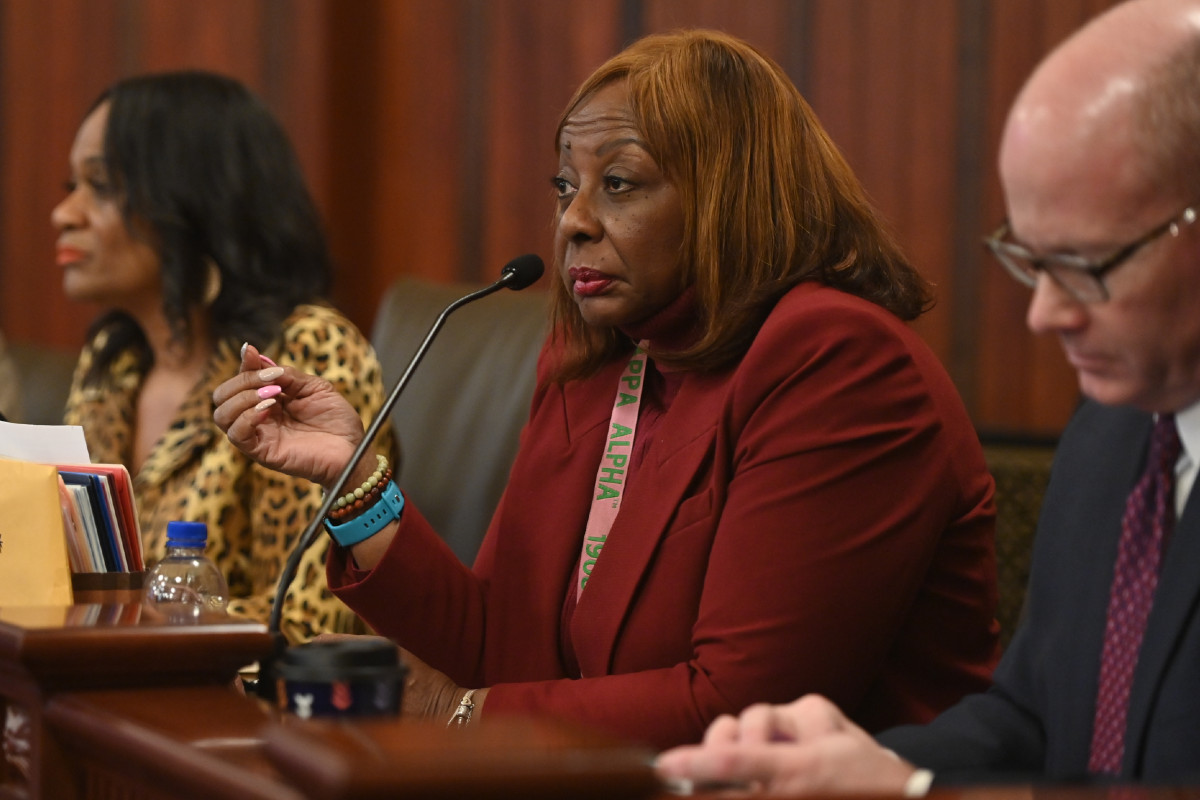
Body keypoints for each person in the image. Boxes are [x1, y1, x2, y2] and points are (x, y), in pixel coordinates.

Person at [213, 30, 998, 748]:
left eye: (618, 184)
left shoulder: (838, 362)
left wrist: (459, 713)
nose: (572, 222)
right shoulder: (599, 359)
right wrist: (356, 485)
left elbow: (745, 708)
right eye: (565, 187)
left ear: (731, 196)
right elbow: (499, 643)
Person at [656, 0, 1200, 789]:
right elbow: (1030, 722)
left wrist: (914, 792)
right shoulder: (1113, 432)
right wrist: (854, 764)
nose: (1044, 313)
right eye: (1029, 259)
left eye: (1084, 264)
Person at [53, 70, 396, 643]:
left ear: (193, 200)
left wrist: (117, 637)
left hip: (223, 714)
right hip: (92, 691)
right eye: (72, 185)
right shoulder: (111, 363)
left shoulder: (305, 352)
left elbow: (306, 620)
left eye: (102, 186)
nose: (65, 213)